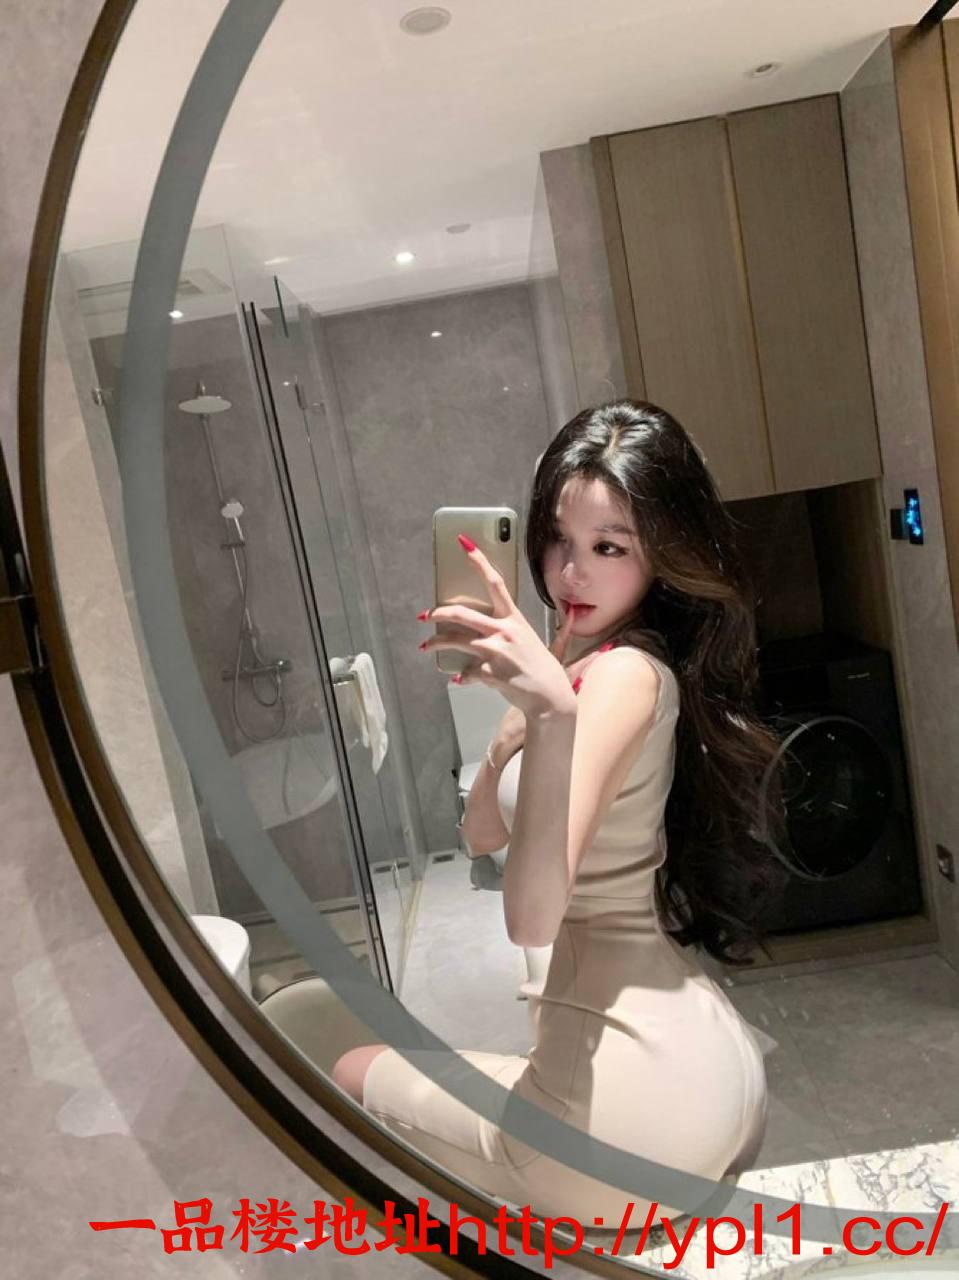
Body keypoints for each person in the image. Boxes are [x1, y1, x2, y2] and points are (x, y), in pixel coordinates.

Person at [332, 399, 789, 1226]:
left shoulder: (620, 676)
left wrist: (548, 716)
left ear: (661, 557)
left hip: (621, 1127)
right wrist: (509, 741)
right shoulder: (582, 664)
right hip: (698, 1068)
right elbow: (482, 836)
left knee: (351, 1071)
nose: (570, 573)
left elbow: (531, 917)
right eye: (555, 539)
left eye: (609, 547)